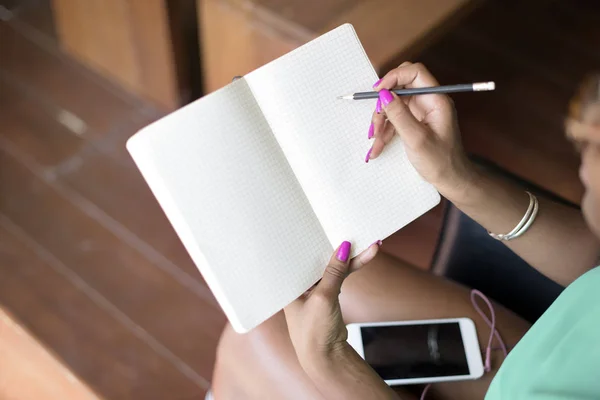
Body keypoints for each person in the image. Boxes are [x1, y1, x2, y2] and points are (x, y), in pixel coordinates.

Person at [211, 63, 600, 399]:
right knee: (308, 281)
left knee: (252, 344)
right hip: (557, 353)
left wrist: (328, 360)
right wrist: (456, 177)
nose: (582, 170)